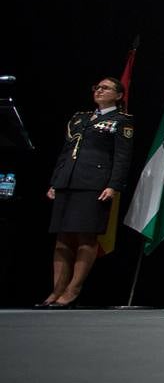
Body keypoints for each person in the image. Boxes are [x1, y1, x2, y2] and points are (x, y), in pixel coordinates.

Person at [42, 77, 134, 307]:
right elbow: (66, 151)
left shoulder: (121, 121)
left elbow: (122, 158)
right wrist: (56, 180)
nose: (99, 91)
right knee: (62, 239)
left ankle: (73, 288)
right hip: (68, 180)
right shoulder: (80, 118)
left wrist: (113, 185)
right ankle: (56, 290)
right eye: (97, 87)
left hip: (94, 184)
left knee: (86, 236)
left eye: (105, 88)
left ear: (119, 95)